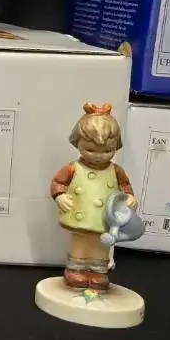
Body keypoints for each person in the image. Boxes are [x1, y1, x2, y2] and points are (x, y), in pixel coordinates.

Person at [50, 103, 137, 291]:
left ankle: (98, 272)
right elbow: (58, 182)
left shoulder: (116, 171)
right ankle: (76, 270)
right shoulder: (73, 168)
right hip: (79, 215)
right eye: (91, 150)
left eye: (107, 151)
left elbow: (125, 187)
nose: (99, 156)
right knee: (79, 244)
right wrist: (60, 196)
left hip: (105, 219)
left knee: (102, 245)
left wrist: (130, 198)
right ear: (77, 143)